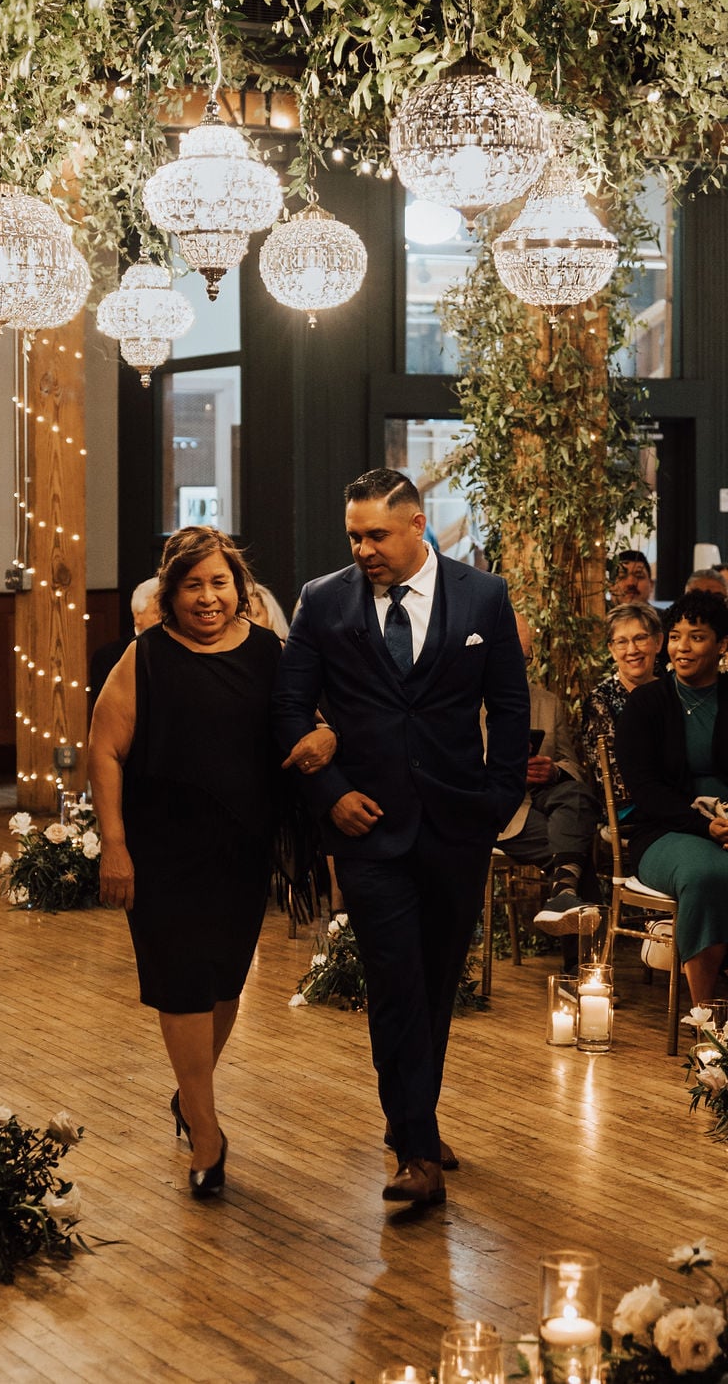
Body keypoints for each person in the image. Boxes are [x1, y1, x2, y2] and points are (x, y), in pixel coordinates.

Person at [273, 468, 529, 1209]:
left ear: (418, 524)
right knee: (394, 982)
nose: (362, 550)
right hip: (367, 829)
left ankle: (416, 1114)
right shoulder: (324, 600)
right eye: (353, 536)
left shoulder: (485, 597)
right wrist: (331, 794)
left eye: (376, 535)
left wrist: (497, 802)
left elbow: (510, 708)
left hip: (459, 825)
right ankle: (415, 1149)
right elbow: (288, 708)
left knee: (437, 981)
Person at [87, 527, 335, 1200]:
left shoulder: (268, 651)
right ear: (170, 594)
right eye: (193, 585)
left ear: (239, 588)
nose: (207, 597)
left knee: (225, 983)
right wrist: (114, 843)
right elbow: (103, 749)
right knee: (182, 983)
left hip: (242, 847)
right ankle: (206, 1131)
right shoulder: (145, 657)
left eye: (219, 582)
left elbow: (309, 720)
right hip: (161, 852)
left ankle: (188, 1095)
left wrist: (326, 734)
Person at [615, 590, 728, 1004]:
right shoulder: (647, 703)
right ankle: (706, 1015)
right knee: (708, 875)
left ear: (722, 645)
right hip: (664, 832)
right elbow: (645, 789)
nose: (682, 647)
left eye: (697, 637)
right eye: (677, 636)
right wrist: (705, 826)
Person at [492, 616, 601, 940]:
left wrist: (553, 769)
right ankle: (581, 963)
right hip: (500, 810)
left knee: (577, 794)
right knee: (575, 852)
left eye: (525, 658)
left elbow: (572, 764)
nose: (518, 666)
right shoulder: (465, 702)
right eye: (511, 655)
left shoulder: (547, 702)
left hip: (545, 797)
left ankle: (563, 897)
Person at [581, 601, 664, 809]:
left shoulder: (672, 688)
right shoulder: (600, 701)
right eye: (621, 642)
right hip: (633, 808)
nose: (632, 650)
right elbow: (614, 782)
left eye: (640, 638)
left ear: (658, 641)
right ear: (611, 649)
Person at [87, 577, 161, 718]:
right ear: (138, 616)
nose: (165, 620)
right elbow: (106, 711)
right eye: (158, 613)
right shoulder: (108, 656)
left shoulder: (182, 652)